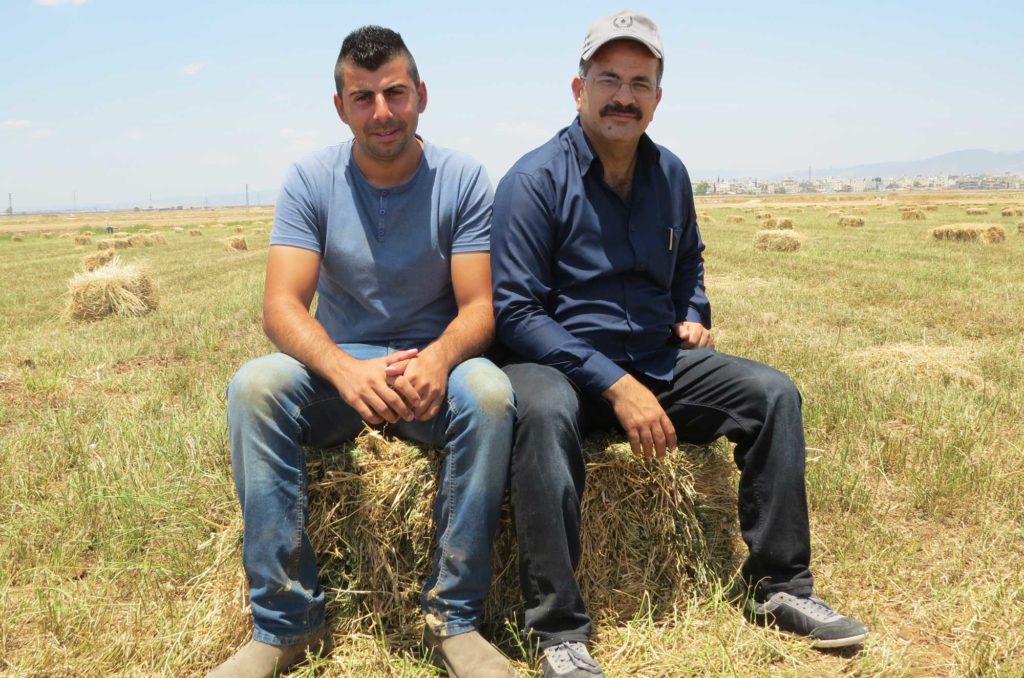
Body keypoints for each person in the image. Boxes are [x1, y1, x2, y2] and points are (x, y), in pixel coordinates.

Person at [490, 10, 867, 677]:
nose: (623, 96)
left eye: (640, 82)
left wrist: (695, 311)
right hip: (556, 364)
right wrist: (613, 382)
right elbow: (516, 311)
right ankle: (558, 633)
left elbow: (689, 261)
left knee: (772, 394)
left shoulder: (670, 175)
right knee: (543, 414)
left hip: (657, 360)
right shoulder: (533, 181)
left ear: (658, 98)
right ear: (577, 87)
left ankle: (779, 587)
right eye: (609, 78)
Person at [210, 25, 518, 678]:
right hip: (338, 369)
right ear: (341, 105)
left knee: (491, 394)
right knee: (254, 387)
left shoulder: (462, 179)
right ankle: (285, 624)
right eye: (363, 97)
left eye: (395, 94)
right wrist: (343, 370)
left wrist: (437, 359)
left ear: (421, 96)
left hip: (430, 370)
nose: (382, 112)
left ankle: (453, 618)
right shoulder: (310, 179)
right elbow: (282, 306)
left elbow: (480, 308)